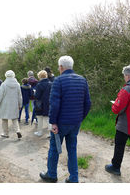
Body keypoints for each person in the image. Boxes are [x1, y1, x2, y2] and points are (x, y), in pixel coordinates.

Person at [39, 55, 91, 183]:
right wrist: (80, 118)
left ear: (61, 67)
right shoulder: (82, 80)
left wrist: (53, 122)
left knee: (54, 148)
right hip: (75, 123)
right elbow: (88, 103)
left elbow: (54, 104)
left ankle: (51, 174)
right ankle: (74, 177)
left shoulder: (58, 81)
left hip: (61, 123)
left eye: (58, 67)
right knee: (72, 149)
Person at [0, 70, 22, 139]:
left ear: (6, 75)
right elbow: (20, 96)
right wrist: (20, 104)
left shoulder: (4, 84)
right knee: (14, 119)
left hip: (5, 105)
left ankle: (6, 133)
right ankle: (17, 130)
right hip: (14, 104)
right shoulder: (17, 85)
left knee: (4, 119)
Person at [34, 70, 52, 137]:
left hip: (40, 104)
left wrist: (34, 93)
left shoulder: (39, 85)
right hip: (48, 103)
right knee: (48, 119)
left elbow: (37, 96)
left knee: (40, 118)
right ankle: (51, 133)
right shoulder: (51, 83)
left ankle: (40, 132)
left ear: (39, 76)